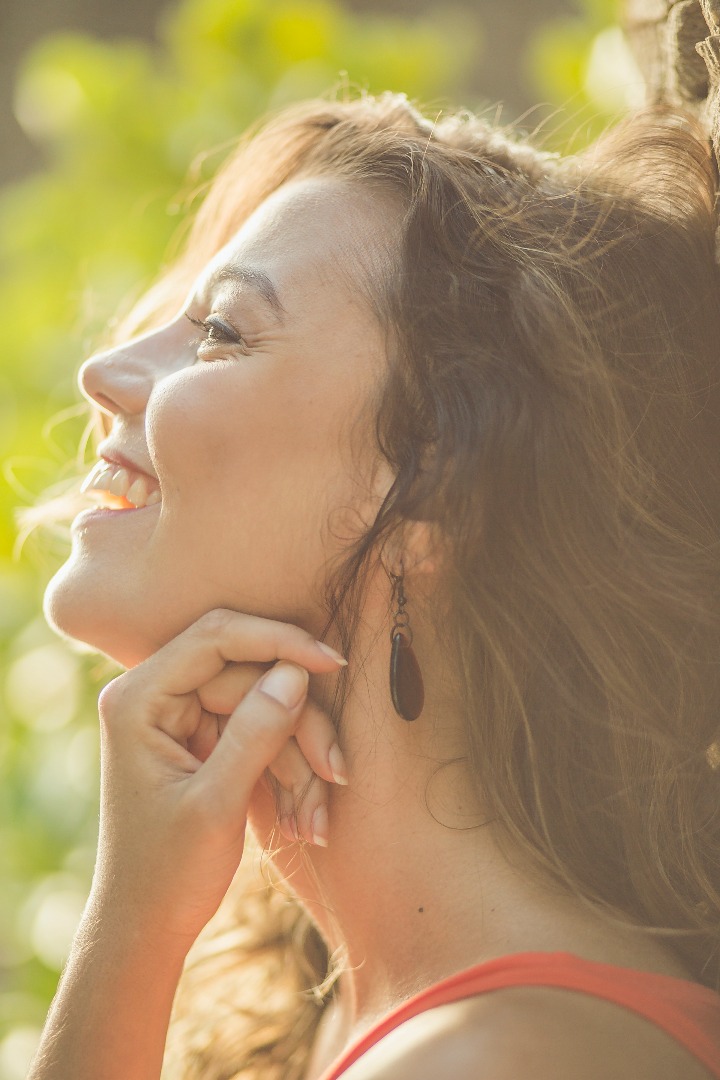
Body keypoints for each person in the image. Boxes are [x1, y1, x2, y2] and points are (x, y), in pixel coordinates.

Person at [27, 91, 720, 1080]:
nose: (102, 371)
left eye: (221, 330)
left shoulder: (498, 1061)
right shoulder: (385, 1024)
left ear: (432, 488)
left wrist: (126, 944)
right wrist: (135, 927)